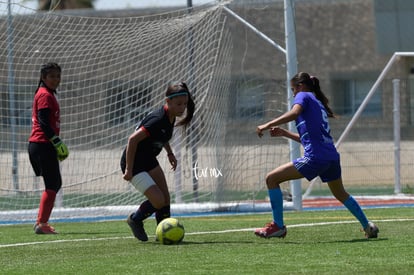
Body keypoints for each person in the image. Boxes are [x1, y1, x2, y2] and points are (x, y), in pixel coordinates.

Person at [255, 72, 379, 239]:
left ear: (300, 86)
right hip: (331, 157)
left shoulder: (304, 96)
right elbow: (311, 139)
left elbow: (294, 113)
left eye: (293, 89)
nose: (293, 94)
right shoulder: (317, 103)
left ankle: (278, 226)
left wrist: (267, 124)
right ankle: (367, 226)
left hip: (316, 157)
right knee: (341, 193)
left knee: (272, 179)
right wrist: (285, 133)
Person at [121, 82, 195, 242]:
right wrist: (128, 169)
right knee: (158, 200)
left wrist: (169, 153)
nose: (182, 108)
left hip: (149, 160)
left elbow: (161, 136)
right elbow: (132, 140)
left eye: (184, 104)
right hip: (135, 163)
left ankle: (163, 234)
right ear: (167, 102)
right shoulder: (157, 119)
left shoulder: (171, 116)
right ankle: (135, 219)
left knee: (166, 199)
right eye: (179, 104)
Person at [28, 62, 69, 234]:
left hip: (41, 145)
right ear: (43, 78)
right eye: (52, 76)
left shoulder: (46, 93)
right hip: (43, 144)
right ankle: (42, 223)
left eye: (58, 76)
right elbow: (43, 121)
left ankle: (40, 222)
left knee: (53, 183)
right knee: (53, 183)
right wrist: (56, 141)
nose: (55, 79)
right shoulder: (45, 94)